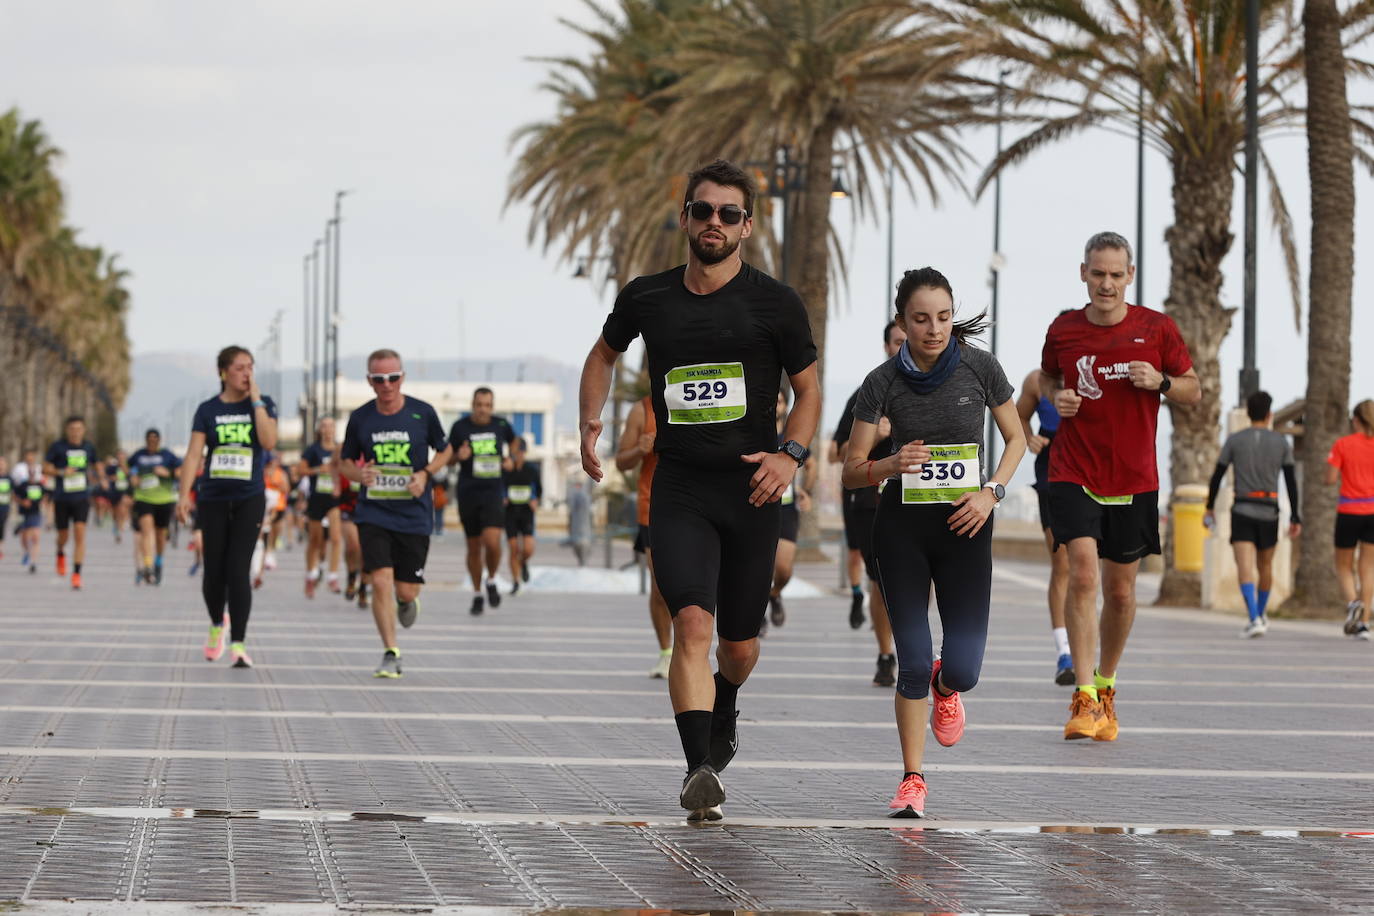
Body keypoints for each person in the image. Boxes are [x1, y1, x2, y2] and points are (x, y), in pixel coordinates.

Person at [579, 159, 820, 821]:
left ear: (747, 226)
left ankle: (727, 705)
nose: (715, 223)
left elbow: (809, 390)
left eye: (729, 214)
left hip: (750, 495)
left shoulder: (775, 303)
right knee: (691, 622)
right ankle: (697, 769)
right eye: (704, 210)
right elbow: (603, 354)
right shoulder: (648, 297)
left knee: (738, 648)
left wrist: (791, 456)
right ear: (685, 217)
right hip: (680, 487)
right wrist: (591, 420)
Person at [842, 267, 1025, 818]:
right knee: (914, 662)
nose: (934, 329)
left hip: (967, 526)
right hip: (901, 528)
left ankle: (950, 689)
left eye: (943, 317)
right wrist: (889, 464)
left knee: (962, 669)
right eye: (921, 319)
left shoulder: (980, 368)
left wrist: (991, 493)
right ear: (902, 321)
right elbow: (851, 471)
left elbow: (1016, 440)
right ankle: (912, 779)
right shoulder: (881, 383)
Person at [1040, 231, 1200, 742]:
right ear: (1083, 272)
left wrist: (1163, 383)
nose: (1105, 284)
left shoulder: (1156, 328)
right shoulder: (1064, 329)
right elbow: (1045, 379)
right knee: (1083, 576)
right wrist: (1059, 397)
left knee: (1122, 591)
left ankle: (1106, 686)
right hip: (1073, 470)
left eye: (1115, 274)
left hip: (1133, 478)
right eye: (1097, 273)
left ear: (1129, 275)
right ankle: (1084, 698)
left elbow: (1194, 389)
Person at [339, 349, 451, 677]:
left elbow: (445, 451)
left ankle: (407, 600)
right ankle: (391, 651)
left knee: (404, 589)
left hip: (414, 514)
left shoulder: (422, 413)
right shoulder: (360, 418)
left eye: (392, 378)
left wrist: (426, 474)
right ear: (369, 382)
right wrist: (359, 475)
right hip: (373, 512)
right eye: (378, 379)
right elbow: (345, 462)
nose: (386, 385)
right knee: (379, 580)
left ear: (402, 377)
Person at [177, 345, 278, 668]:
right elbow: (194, 454)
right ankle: (217, 625)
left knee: (238, 571)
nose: (246, 373)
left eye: (250, 367)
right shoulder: (208, 410)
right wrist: (183, 495)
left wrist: (258, 401)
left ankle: (238, 643)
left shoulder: (261, 405)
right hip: (213, 497)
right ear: (223, 372)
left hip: (250, 497)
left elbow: (268, 442)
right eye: (239, 367)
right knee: (214, 571)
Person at [834, 322, 907, 686]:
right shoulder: (869, 391)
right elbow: (838, 453)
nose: (904, 346)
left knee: (917, 583)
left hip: (920, 497)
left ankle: (910, 646)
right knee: (880, 582)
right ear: (886, 346)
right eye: (897, 341)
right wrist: (874, 434)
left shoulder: (938, 391)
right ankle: (886, 653)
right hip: (870, 499)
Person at [1205, 390, 1302, 637]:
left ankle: (1253, 617)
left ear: (1248, 414)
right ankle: (1261, 614)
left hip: (1242, 510)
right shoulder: (1281, 443)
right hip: (1270, 510)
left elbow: (1217, 476)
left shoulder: (1235, 441)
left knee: (1245, 566)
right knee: (1266, 565)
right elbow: (1291, 481)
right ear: (1269, 414)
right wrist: (1295, 516)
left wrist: (1209, 507)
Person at [1015, 366, 1073, 683]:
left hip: (1089, 469)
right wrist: (1029, 439)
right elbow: (1017, 415)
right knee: (1062, 563)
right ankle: (1064, 651)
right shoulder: (1037, 380)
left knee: (1088, 565)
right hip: (1051, 472)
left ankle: (1085, 646)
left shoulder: (1095, 375)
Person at [617, 395, 674, 679]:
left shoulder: (701, 398)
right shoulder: (642, 410)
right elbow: (621, 462)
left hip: (698, 506)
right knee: (661, 587)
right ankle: (667, 654)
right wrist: (640, 450)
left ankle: (694, 649)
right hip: (652, 508)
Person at [449, 388, 518, 615]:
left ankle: (491, 579)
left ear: (492, 406)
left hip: (493, 492)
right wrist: (459, 457)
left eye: (487, 405)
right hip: (468, 492)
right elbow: (447, 458)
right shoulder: (460, 427)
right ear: (472, 404)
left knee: (492, 541)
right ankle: (478, 593)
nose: (482, 409)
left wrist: (512, 459)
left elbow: (516, 442)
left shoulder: (501, 425)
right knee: (473, 547)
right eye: (479, 404)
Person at [762, 390, 814, 635]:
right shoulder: (756, 433)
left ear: (785, 406)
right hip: (758, 503)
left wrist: (806, 490)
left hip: (786, 508)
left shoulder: (793, 435)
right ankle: (756, 610)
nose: (776, 405)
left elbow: (810, 464)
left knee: (783, 569)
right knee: (758, 566)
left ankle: (774, 593)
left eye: (780, 401)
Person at [1328, 398, 1374, 639]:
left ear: (1355, 420)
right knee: (1367, 569)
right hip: (1373, 512)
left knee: (1343, 566)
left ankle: (1353, 602)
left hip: (1348, 511)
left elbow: (1329, 478)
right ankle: (1365, 624)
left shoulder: (1342, 445)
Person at [43, 416, 105, 590]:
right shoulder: (58, 447)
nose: (75, 432)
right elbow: (45, 468)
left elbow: (97, 464)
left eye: (79, 428)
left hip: (81, 497)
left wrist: (101, 475)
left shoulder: (88, 447)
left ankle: (77, 574)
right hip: (62, 497)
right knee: (63, 535)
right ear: (67, 430)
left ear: (84, 430)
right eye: (72, 429)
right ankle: (60, 552)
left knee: (80, 532)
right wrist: (62, 471)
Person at [296, 417, 343, 597]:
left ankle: (332, 576)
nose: (328, 429)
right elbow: (301, 470)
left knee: (336, 537)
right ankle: (310, 575)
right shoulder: (313, 450)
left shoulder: (340, 449)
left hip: (333, 498)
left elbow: (346, 468)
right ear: (319, 429)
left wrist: (339, 482)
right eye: (324, 426)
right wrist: (318, 470)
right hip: (316, 497)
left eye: (331, 426)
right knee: (315, 541)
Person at [129, 428, 182, 585]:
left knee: (160, 535)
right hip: (144, 497)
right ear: (146, 440)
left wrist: (168, 473)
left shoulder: (167, 455)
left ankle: (158, 562)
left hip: (164, 499)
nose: (152, 442)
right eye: (149, 440)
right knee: (146, 531)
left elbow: (181, 471)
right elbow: (129, 468)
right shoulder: (139, 455)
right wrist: (133, 478)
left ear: (159, 440)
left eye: (155, 440)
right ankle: (147, 565)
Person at [503, 437, 541, 595]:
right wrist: (502, 498)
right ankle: (516, 582)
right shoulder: (506, 469)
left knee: (528, 549)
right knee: (513, 548)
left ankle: (523, 562)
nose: (516, 454)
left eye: (519, 451)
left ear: (524, 452)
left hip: (526, 512)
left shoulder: (531, 469)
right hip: (510, 512)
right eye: (514, 452)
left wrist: (535, 500)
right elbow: (500, 487)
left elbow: (538, 489)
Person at [13, 450, 44, 574]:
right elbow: (14, 494)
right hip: (23, 511)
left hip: (36, 511)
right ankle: (26, 551)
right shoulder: (19, 471)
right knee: (25, 537)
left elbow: (45, 494)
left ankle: (33, 562)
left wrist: (44, 503)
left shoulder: (39, 476)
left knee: (35, 536)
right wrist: (22, 502)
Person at [106, 451, 132, 543]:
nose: (121, 458)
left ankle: (120, 530)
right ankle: (116, 526)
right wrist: (114, 478)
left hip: (124, 491)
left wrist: (125, 469)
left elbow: (131, 477)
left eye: (123, 457)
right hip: (114, 491)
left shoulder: (129, 467)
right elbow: (108, 477)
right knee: (115, 513)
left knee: (122, 509)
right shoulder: (112, 467)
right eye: (119, 457)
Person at [0, 456, 11, 560]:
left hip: (4, 507)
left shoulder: (9, 478)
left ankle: (0, 549)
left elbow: (14, 492)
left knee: (1, 527)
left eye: (2, 463)